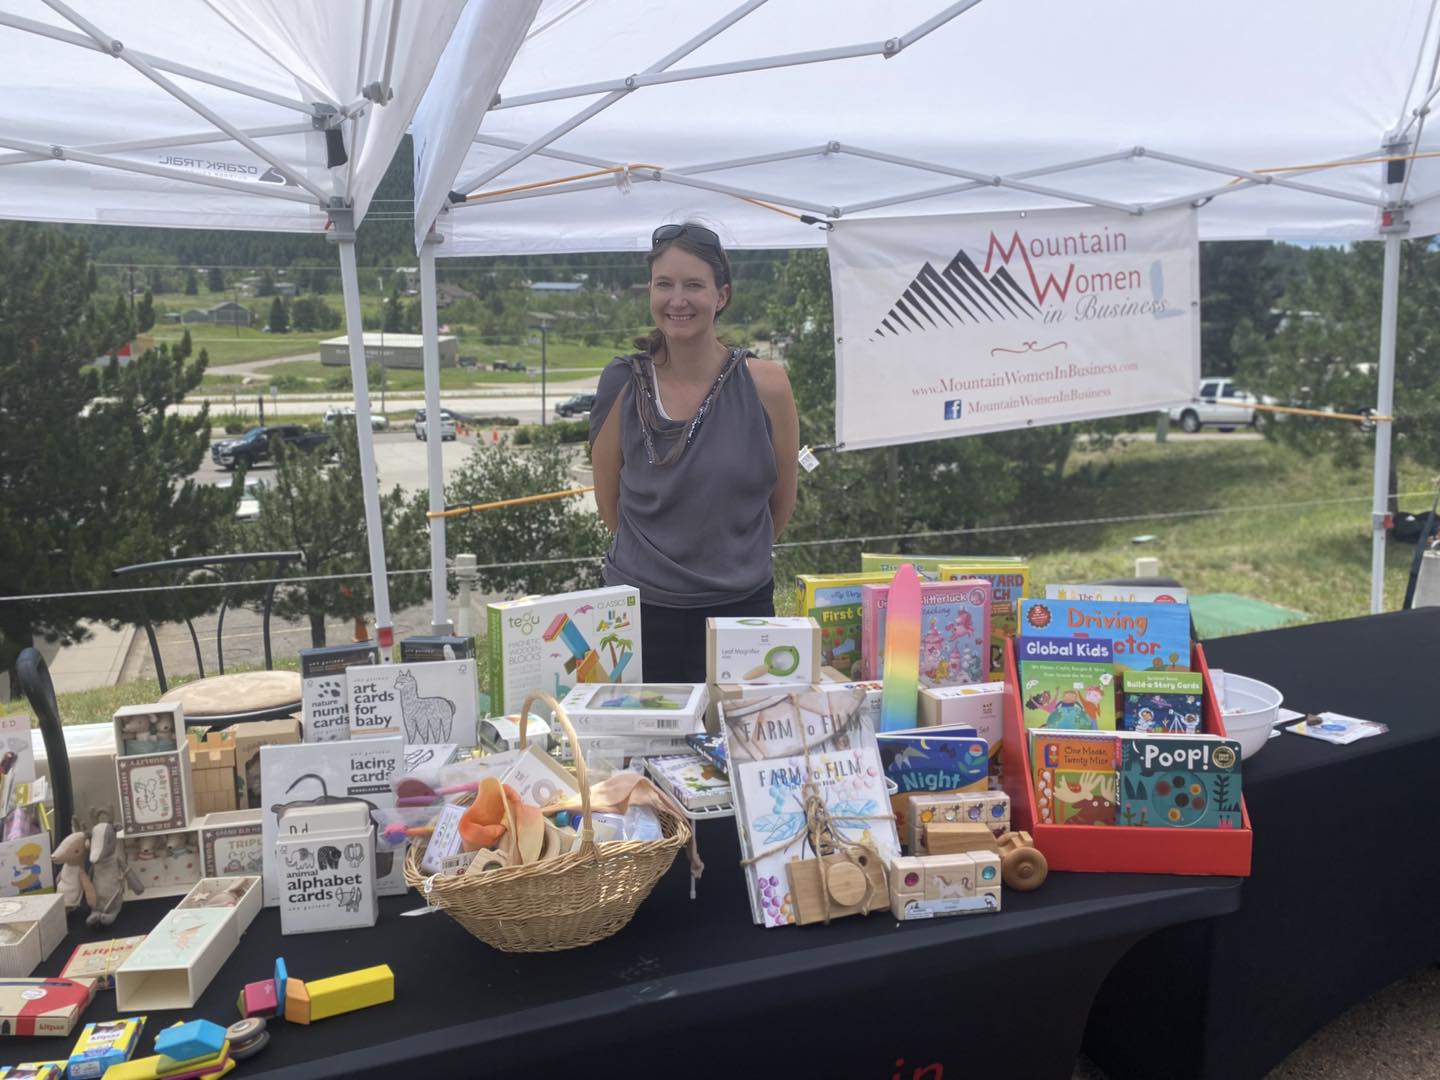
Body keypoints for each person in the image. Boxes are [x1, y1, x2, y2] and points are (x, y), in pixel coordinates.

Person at [589, 222, 799, 682]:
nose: (677, 300)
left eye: (694, 285)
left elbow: (780, 503)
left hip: (741, 615)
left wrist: (732, 563)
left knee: (740, 745)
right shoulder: (622, 383)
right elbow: (610, 506)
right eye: (664, 284)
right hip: (639, 616)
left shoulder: (766, 385)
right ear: (649, 291)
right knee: (643, 752)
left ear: (721, 295)